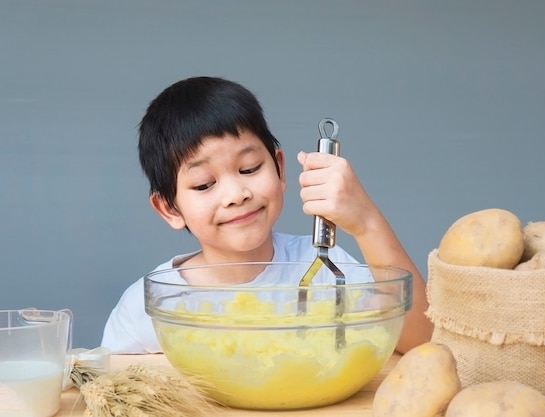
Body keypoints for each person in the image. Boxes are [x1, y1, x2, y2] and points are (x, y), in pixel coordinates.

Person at [101, 76, 433, 354]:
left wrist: (366, 222)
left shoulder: (323, 271)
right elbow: (112, 392)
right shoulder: (151, 305)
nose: (236, 194)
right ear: (169, 208)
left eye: (249, 168)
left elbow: (424, 340)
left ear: (279, 167)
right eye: (204, 185)